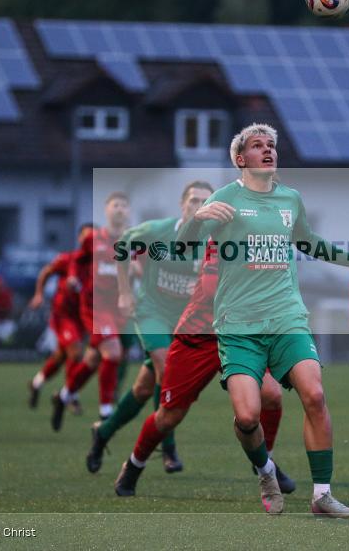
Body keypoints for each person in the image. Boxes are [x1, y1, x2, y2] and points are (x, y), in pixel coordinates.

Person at [174, 123, 349, 517]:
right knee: (246, 416)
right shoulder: (225, 198)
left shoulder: (290, 199)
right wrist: (197, 217)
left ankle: (322, 495)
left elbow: (313, 243)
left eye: (272, 145)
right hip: (238, 326)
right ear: (241, 159)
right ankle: (265, 470)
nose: (268, 150)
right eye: (258, 146)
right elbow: (181, 247)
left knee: (314, 394)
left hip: (286, 318)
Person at [91, 243, 295, 498]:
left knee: (272, 395)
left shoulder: (265, 240)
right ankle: (133, 465)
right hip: (197, 339)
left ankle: (265, 465)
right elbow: (212, 289)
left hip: (239, 338)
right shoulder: (221, 239)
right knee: (168, 416)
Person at [88, 181, 211, 474]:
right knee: (167, 371)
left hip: (186, 320)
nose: (199, 207)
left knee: (144, 388)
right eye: (194, 200)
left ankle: (103, 432)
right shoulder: (158, 231)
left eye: (206, 202)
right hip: (151, 312)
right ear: (182, 205)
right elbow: (123, 245)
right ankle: (168, 449)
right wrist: (125, 291)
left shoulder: (213, 241)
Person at [52, 193, 130, 425]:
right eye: (115, 205)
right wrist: (74, 278)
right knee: (114, 353)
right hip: (95, 306)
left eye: (124, 206)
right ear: (106, 211)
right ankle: (106, 412)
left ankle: (64, 396)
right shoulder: (93, 239)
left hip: (117, 308)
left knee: (93, 359)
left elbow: (141, 266)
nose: (119, 209)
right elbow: (77, 260)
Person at [27, 224, 94, 411]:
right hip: (63, 315)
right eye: (86, 237)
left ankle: (36, 383)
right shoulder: (68, 259)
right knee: (76, 352)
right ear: (79, 239)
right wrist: (39, 294)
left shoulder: (96, 264)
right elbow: (46, 272)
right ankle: (71, 395)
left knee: (60, 356)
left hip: (81, 316)